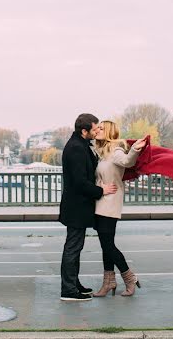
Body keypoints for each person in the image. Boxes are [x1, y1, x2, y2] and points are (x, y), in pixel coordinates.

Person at [58, 113, 117, 301]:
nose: (97, 131)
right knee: (73, 247)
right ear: (85, 131)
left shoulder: (80, 145)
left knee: (75, 247)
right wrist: (101, 190)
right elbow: (79, 182)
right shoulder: (76, 148)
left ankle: (73, 284)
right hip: (77, 207)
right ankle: (68, 289)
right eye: (95, 129)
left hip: (78, 206)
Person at [91, 120, 147, 297]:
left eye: (100, 128)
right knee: (105, 245)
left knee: (107, 245)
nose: (97, 130)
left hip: (110, 201)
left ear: (108, 131)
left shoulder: (115, 150)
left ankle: (129, 277)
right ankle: (109, 282)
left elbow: (127, 161)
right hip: (101, 200)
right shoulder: (102, 152)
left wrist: (135, 149)